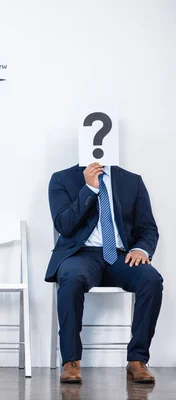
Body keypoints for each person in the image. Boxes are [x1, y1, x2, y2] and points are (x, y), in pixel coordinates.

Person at [47, 162, 162, 384]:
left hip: (121, 255)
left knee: (151, 278)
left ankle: (137, 360)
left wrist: (141, 249)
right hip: (81, 254)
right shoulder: (61, 179)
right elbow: (64, 225)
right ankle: (71, 361)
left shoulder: (132, 180)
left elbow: (148, 228)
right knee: (70, 278)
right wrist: (89, 188)